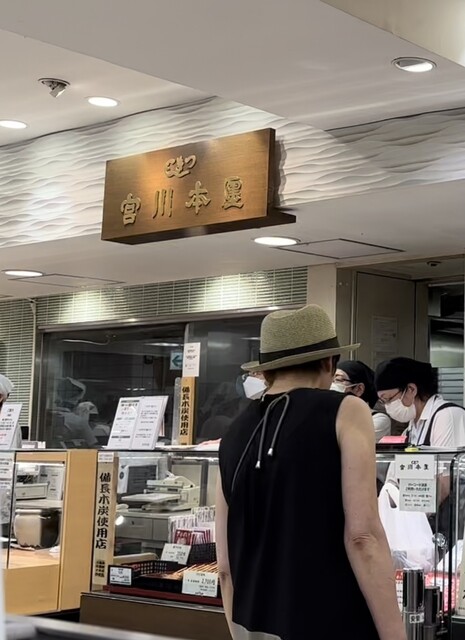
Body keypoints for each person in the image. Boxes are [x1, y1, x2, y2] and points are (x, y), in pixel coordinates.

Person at [216, 305, 406, 640]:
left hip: (253, 623)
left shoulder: (234, 431)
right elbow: (363, 538)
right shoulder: (346, 410)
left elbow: (225, 568)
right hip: (333, 621)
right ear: (328, 363)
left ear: (266, 371)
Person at [375, 357, 465, 448]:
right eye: (383, 401)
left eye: (388, 399)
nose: (387, 406)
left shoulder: (447, 415)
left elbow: (445, 456)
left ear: (411, 389)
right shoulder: (411, 427)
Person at [332, 360, 391, 442]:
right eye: (331, 380)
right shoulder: (331, 415)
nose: (332, 384)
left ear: (359, 389)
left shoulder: (377, 420)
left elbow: (349, 443)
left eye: (338, 379)